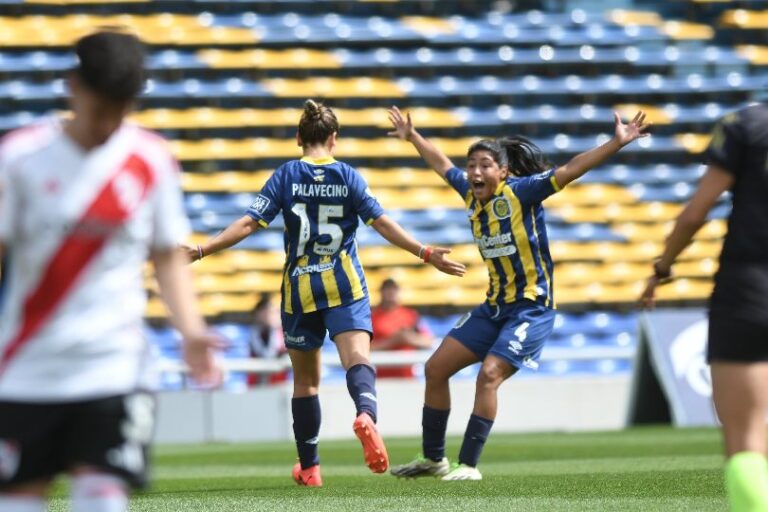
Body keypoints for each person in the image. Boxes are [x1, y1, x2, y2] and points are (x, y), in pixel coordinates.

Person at [185, 99, 466, 487]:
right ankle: (366, 413)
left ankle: (310, 468)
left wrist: (201, 250)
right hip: (344, 284)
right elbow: (381, 223)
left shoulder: (285, 175)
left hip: (300, 289)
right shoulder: (348, 176)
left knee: (306, 382)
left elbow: (249, 224)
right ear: (334, 139)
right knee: (356, 359)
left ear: (299, 137)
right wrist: (425, 252)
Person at [0, 31, 221, 512]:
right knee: (18, 499)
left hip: (113, 364)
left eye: (121, 110)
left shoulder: (151, 160)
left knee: (102, 497)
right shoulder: (20, 159)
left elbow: (166, 255)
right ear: (73, 87)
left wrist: (191, 330)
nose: (109, 124)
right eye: (102, 109)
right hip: (26, 364)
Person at [387, 105, 649, 480]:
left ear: (503, 172)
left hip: (532, 308)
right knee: (435, 369)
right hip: (494, 307)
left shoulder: (522, 193)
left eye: (485, 165)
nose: (475, 172)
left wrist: (617, 143)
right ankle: (434, 459)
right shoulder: (469, 193)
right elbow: (442, 164)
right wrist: (413, 137)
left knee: (489, 374)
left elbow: (571, 170)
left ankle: (469, 465)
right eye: (472, 164)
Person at [640, 103, 768, 512]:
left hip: (750, 287)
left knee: (746, 437)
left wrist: (662, 267)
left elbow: (696, 213)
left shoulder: (747, 124)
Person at [370, 278, 433, 378]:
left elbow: (428, 341)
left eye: (393, 289)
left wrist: (408, 338)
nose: (390, 293)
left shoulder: (411, 315)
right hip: (382, 377)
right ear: (381, 293)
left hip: (407, 376)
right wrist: (393, 340)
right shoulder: (372, 317)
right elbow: (366, 349)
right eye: (387, 290)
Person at [248, 293, 288, 386]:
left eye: (272, 312)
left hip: (279, 385)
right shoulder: (252, 334)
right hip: (256, 385)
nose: (268, 316)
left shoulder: (286, 334)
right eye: (264, 312)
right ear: (257, 315)